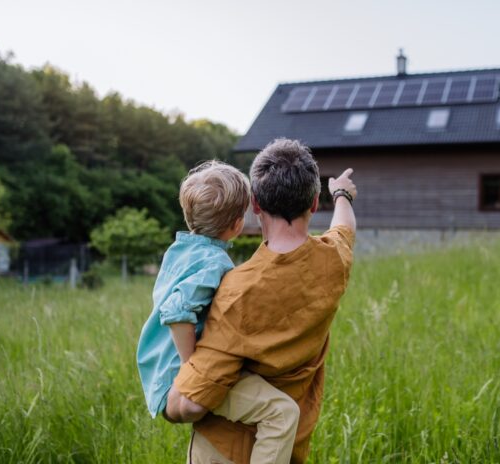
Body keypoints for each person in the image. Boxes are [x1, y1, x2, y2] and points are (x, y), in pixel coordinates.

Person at [166, 138, 358, 463]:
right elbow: (344, 227)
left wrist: (170, 405)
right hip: (284, 450)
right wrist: (341, 193)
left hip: (224, 451)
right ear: (313, 203)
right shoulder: (335, 260)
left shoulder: (235, 291)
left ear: (254, 204)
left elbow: (190, 403)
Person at [136, 160, 301, 464]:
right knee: (282, 412)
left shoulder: (179, 251)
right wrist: (192, 371)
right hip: (178, 377)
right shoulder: (215, 263)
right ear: (238, 224)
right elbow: (177, 310)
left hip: (158, 374)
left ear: (189, 217)